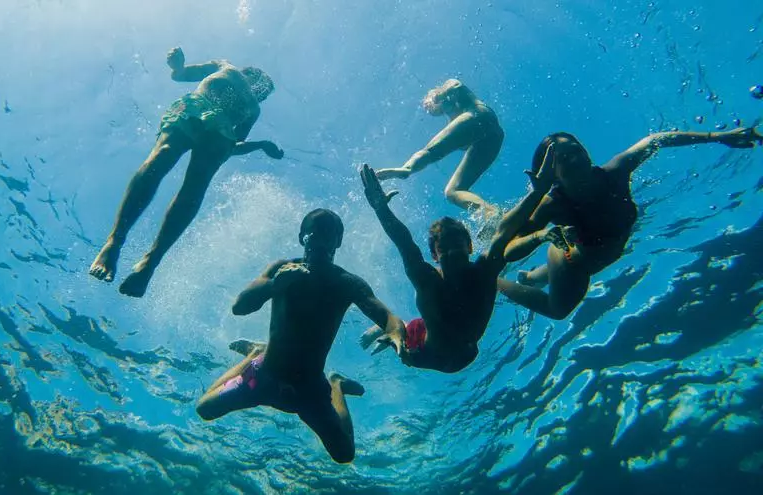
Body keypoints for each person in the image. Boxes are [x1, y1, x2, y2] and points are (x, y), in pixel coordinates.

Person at [195, 209, 406, 464]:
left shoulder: (347, 283)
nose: (320, 239)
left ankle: (336, 384)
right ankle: (255, 354)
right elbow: (239, 307)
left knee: (344, 454)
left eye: (328, 234)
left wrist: (396, 333)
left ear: (338, 241)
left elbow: (387, 317)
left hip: (310, 391)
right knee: (205, 408)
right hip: (264, 376)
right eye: (314, 232)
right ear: (302, 237)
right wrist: (276, 285)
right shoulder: (281, 269)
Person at [498, 127, 763, 320]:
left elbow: (656, 140)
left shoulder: (615, 172)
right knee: (558, 311)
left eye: (576, 151)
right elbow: (509, 250)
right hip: (572, 261)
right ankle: (495, 283)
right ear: (551, 174)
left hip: (597, 252)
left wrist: (717, 136)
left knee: (548, 272)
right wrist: (541, 236)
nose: (575, 159)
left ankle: (529, 277)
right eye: (564, 159)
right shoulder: (552, 204)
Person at [89, 47, 284, 297]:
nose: (261, 88)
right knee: (163, 157)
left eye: (263, 92)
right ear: (249, 73)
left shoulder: (254, 110)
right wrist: (177, 65)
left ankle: (151, 261)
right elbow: (180, 76)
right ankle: (114, 242)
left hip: (221, 132)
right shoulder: (226, 66)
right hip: (194, 109)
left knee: (194, 184)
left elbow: (232, 146)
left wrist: (260, 145)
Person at [357, 154, 554, 373]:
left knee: (415, 337)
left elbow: (503, 233)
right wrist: (381, 209)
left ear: (469, 247)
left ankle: (398, 327)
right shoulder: (427, 279)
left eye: (457, 246)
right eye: (444, 248)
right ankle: (389, 327)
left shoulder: (484, 270)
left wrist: (537, 193)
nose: (452, 253)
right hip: (425, 353)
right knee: (401, 342)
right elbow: (405, 243)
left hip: (464, 355)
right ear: (434, 255)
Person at [375, 79, 504, 219]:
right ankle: (492, 214)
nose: (427, 108)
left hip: (480, 114)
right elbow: (463, 140)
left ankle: (406, 169)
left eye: (428, 103)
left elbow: (456, 85)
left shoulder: (450, 90)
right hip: (494, 136)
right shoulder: (455, 115)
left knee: (430, 152)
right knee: (453, 191)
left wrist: (438, 96)